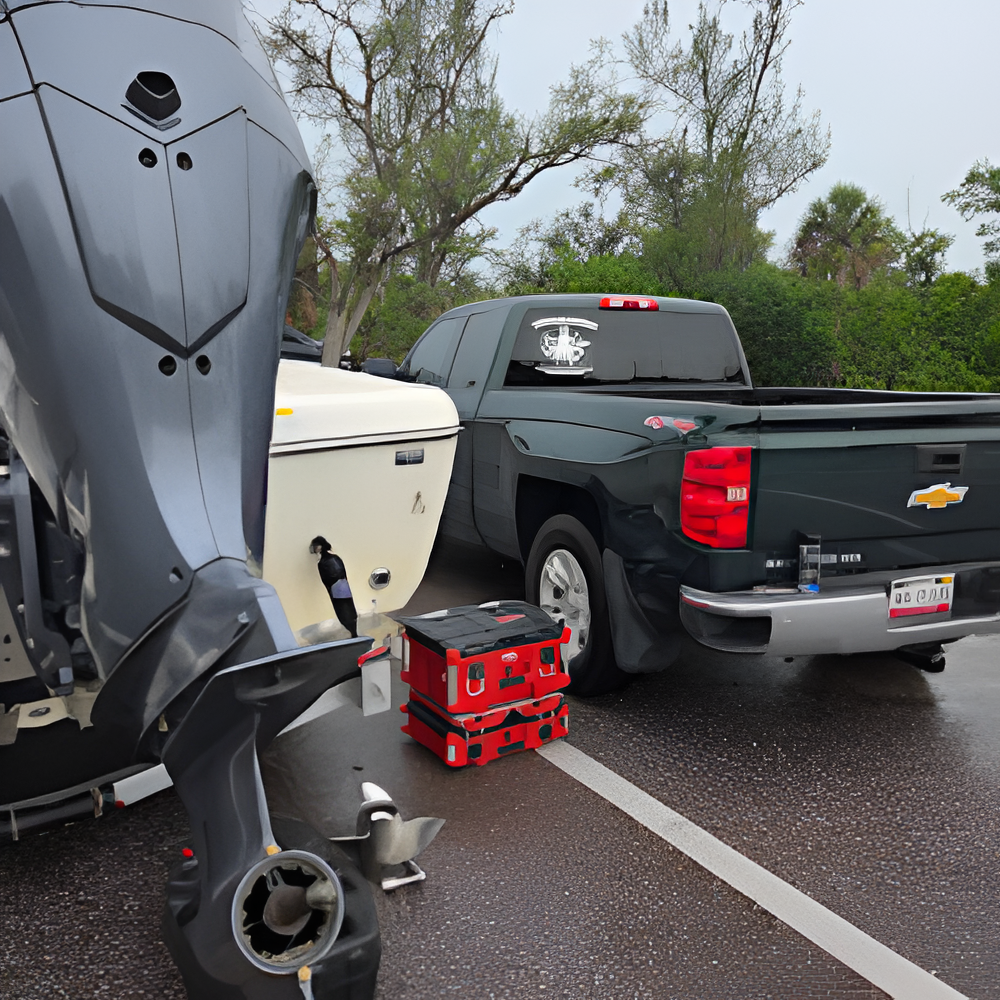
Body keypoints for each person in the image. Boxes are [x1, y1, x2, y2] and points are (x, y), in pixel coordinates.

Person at [309, 535, 358, 638]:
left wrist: (330, 589)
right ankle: (353, 630)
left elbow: (326, 579)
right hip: (344, 586)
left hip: (336, 588)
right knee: (348, 607)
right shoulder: (336, 558)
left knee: (342, 609)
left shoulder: (323, 563)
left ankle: (351, 631)